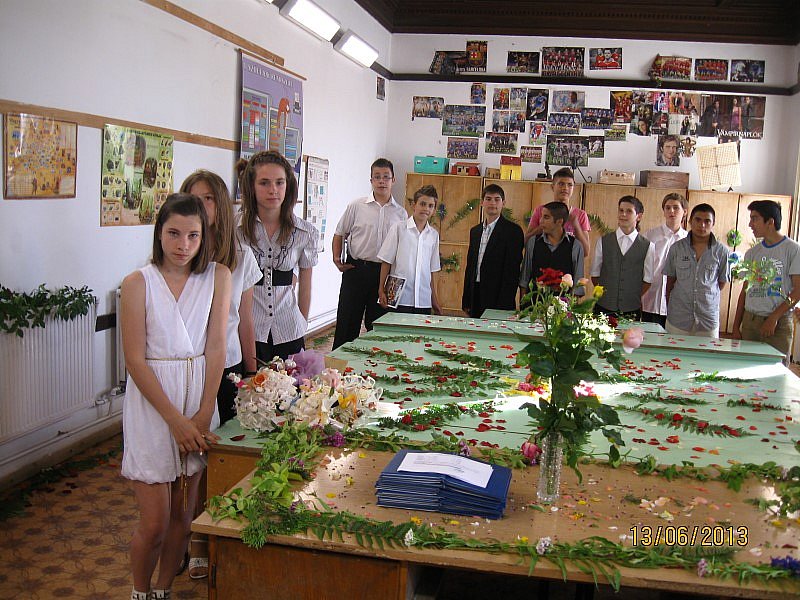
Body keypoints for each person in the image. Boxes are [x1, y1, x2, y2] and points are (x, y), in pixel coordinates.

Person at [120, 193, 231, 600]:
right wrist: (175, 421)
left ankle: (163, 589)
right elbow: (135, 360)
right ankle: (139, 591)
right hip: (154, 407)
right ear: (159, 234)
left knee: (184, 518)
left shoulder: (218, 276)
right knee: (155, 523)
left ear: (204, 237)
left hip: (199, 399)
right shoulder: (137, 283)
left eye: (193, 236)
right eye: (173, 234)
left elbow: (216, 346)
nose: (183, 245)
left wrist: (203, 413)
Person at [176, 171, 259, 579]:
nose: (200, 206)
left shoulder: (239, 255)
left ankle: (204, 539)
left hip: (224, 367)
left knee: (214, 458)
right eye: (193, 198)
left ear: (221, 205)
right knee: (181, 460)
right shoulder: (176, 251)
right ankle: (180, 537)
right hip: (182, 368)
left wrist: (252, 371)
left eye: (208, 199)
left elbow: (245, 318)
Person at [237, 150, 319, 362]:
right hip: (248, 331)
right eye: (264, 183)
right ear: (251, 186)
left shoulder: (305, 233)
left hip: (289, 329)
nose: (273, 190)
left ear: (288, 185)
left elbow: (306, 285)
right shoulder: (235, 230)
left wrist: (302, 322)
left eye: (279, 182)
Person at [332, 158, 407, 349]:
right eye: (377, 177)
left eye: (386, 177)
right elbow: (340, 232)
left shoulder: (401, 214)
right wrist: (337, 259)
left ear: (393, 180)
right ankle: (340, 363)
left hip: (385, 274)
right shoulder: (357, 206)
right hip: (356, 269)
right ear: (371, 180)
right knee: (347, 321)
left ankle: (373, 363)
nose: (382, 181)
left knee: (378, 326)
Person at [732, 200, 800, 357]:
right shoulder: (752, 253)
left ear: (770, 222)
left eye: (754, 218)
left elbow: (798, 291)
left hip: (779, 323)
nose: (750, 224)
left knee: (776, 368)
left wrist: (774, 317)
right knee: (746, 366)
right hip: (751, 321)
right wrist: (736, 326)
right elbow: (745, 291)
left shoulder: (793, 250)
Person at [663, 204, 731, 337]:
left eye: (707, 221)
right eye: (698, 220)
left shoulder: (722, 251)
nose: (702, 225)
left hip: (707, 319)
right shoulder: (676, 248)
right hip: (678, 317)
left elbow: (721, 283)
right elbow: (670, 282)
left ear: (713, 223)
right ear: (690, 221)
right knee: (674, 350)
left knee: (707, 351)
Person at [377, 184, 442, 315]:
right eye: (422, 204)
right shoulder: (399, 229)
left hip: (423, 299)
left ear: (434, 209)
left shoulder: (433, 235)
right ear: (414, 205)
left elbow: (432, 270)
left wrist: (434, 299)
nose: (426, 209)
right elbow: (386, 261)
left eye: (430, 206)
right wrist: (381, 289)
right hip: (399, 298)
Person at [462, 184, 524, 318]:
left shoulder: (513, 231)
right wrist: (466, 299)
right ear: (482, 202)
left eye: (497, 199)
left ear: (503, 203)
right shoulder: (475, 231)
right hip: (475, 294)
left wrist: (505, 303)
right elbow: (470, 267)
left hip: (498, 297)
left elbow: (512, 272)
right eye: (488, 199)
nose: (492, 203)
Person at [591, 196, 656, 319]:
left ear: (639, 216)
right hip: (603, 306)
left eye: (629, 211)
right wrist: (606, 294)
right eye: (621, 210)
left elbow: (647, 281)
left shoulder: (648, 246)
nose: (623, 214)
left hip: (631, 308)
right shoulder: (603, 241)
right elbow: (595, 275)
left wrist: (631, 296)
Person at [519, 201, 585, 303]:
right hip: (534, 304)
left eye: (546, 217)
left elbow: (578, 285)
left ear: (559, 221)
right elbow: (524, 278)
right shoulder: (533, 242)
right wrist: (523, 304)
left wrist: (571, 308)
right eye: (541, 216)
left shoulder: (575, 246)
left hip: (562, 307)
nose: (541, 221)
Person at [524, 167, 590, 263]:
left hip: (568, 268)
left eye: (570, 185)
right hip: (542, 264)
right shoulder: (541, 211)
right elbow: (526, 242)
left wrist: (576, 226)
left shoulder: (580, 215)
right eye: (561, 184)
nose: (565, 188)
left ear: (573, 188)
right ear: (552, 187)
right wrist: (542, 227)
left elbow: (585, 252)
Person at [641, 193, 688, 327]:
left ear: (684, 212)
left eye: (675, 207)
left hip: (678, 303)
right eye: (667, 208)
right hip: (651, 300)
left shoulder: (688, 240)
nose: (671, 211)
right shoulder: (650, 235)